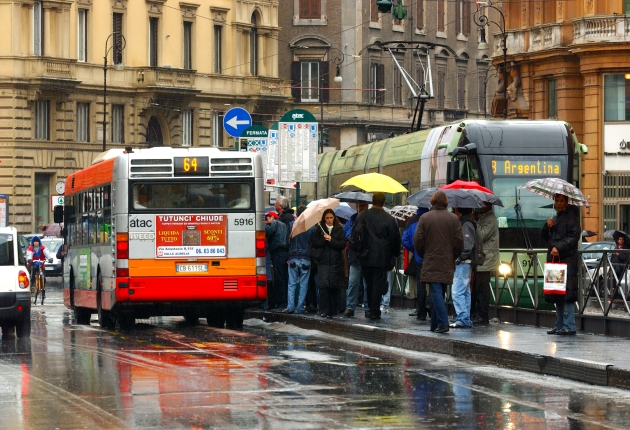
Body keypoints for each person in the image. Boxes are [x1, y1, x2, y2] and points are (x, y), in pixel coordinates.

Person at [414, 191, 464, 334]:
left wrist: (425, 253)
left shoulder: (425, 218)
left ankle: (443, 323)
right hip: (447, 261)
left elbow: (418, 241)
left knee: (436, 291)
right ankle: (434, 324)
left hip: (431, 260)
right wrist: (452, 255)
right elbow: (459, 242)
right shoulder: (454, 219)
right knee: (439, 292)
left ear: (432, 201)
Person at [355, 192, 401, 321]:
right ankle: (375, 310)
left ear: (372, 201)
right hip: (382, 256)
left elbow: (355, 234)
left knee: (368, 283)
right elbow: (395, 239)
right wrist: (395, 253)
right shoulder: (389, 219)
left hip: (365, 255)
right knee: (377, 283)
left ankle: (370, 308)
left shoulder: (363, 216)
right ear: (384, 202)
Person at [542, 193, 580, 336]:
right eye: (557, 200)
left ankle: (569, 325)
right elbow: (546, 237)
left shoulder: (571, 218)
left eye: (561, 201)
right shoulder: (556, 218)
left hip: (567, 261)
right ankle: (559, 324)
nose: (558, 203)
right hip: (556, 261)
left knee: (567, 294)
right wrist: (547, 226)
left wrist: (559, 247)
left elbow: (573, 237)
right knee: (557, 292)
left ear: (566, 202)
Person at [310, 209, 347, 318]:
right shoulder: (319, 229)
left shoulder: (339, 229)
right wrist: (323, 239)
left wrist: (331, 240)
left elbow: (342, 244)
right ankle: (323, 310)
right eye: (327, 218)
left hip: (336, 262)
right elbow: (315, 243)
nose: (329, 220)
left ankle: (333, 310)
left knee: (334, 287)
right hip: (324, 262)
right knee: (324, 287)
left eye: (331, 218)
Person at [472, 203, 500, 326]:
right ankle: (479, 314)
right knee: (478, 288)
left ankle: (483, 315)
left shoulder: (490, 219)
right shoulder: (484, 217)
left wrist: (474, 221)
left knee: (482, 289)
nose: (481, 206)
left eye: (484, 204)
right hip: (483, 258)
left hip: (487, 259)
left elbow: (481, 235)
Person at [402, 207, 431, 321]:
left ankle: (421, 312)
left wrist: (414, 249)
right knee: (434, 283)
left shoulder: (411, 221)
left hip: (418, 257)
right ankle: (431, 306)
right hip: (431, 257)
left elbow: (405, 240)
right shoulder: (431, 219)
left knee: (420, 284)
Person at [285, 206, 314, 314]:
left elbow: (287, 241)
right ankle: (300, 307)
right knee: (303, 284)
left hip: (293, 257)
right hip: (305, 258)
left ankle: (290, 306)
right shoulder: (310, 227)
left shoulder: (292, 225)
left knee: (291, 283)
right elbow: (312, 242)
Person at [450, 207, 476, 329]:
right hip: (466, 262)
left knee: (457, 291)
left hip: (463, 262)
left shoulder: (465, 225)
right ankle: (465, 318)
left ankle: (462, 317)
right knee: (465, 291)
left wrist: (458, 258)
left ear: (458, 211)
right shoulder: (468, 223)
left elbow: (466, 246)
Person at [343, 200, 369, 317]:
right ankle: (350, 307)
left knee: (367, 284)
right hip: (355, 256)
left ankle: (367, 307)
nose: (362, 207)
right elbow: (345, 235)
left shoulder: (370, 220)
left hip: (367, 256)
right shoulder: (352, 220)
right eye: (360, 205)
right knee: (353, 283)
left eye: (363, 205)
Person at [265, 211, 289, 310]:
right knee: (283, 278)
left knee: (279, 279)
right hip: (284, 253)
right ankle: (283, 302)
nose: (266, 221)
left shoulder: (274, 223)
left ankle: (280, 303)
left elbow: (268, 231)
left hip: (277, 253)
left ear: (271, 217)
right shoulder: (284, 225)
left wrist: (265, 226)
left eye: (267, 219)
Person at [26, 235, 53, 300]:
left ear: (39, 242)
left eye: (37, 241)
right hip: (34, 264)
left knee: (44, 277)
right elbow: (29, 254)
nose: (36, 243)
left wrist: (50, 258)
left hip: (41, 264)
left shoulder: (43, 247)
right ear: (32, 242)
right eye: (34, 241)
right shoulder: (30, 248)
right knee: (34, 269)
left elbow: (47, 253)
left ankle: (43, 292)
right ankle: (33, 284)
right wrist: (29, 259)